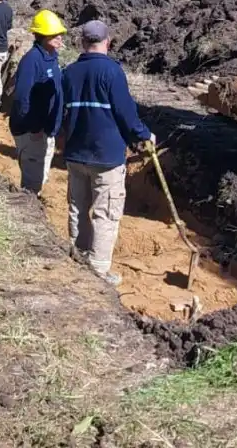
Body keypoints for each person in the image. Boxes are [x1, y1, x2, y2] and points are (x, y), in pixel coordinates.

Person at [61, 20, 154, 286]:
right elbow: (126, 113)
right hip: (106, 157)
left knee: (78, 207)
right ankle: (99, 272)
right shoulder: (112, 72)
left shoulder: (69, 72)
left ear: (82, 42)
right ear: (108, 42)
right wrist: (144, 135)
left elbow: (64, 111)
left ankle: (79, 255)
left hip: (76, 153)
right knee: (106, 212)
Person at [9, 9, 67, 195]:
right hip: (32, 131)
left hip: (46, 130)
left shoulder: (51, 58)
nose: (60, 37)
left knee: (41, 176)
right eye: (54, 34)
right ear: (42, 35)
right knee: (33, 182)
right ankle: (26, 214)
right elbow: (21, 97)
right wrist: (33, 128)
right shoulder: (32, 61)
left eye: (60, 33)